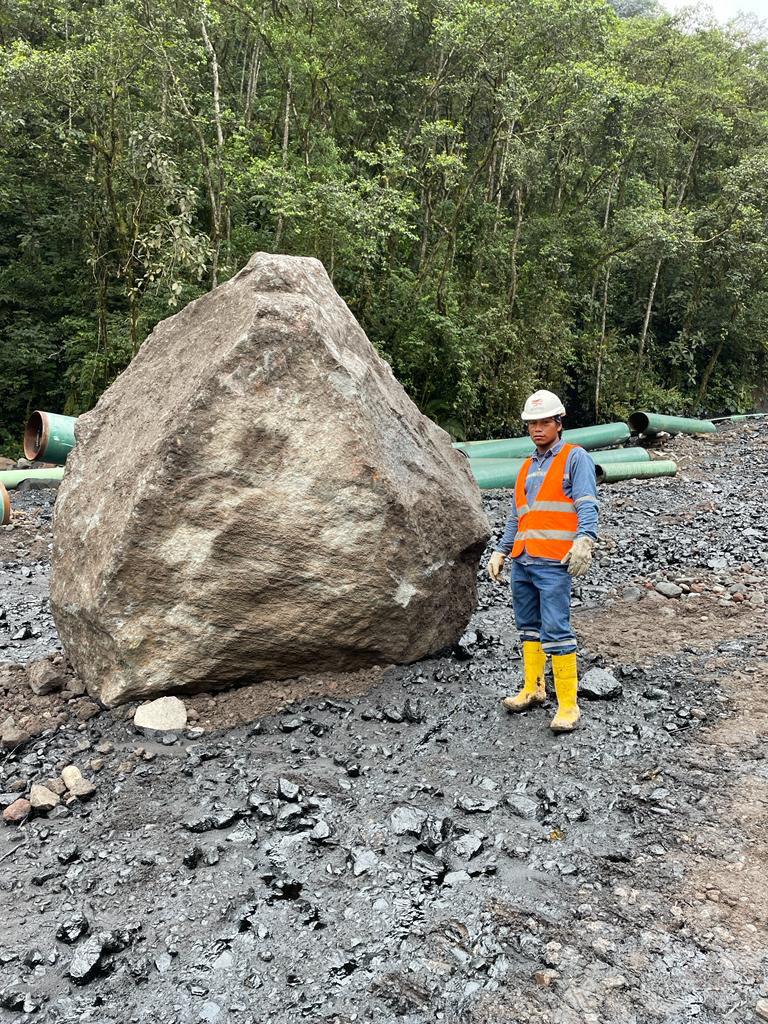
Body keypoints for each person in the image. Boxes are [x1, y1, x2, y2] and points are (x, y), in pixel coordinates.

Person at [487, 390, 598, 732]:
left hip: (553, 562)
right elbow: (516, 516)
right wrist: (502, 550)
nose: (537, 429)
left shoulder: (574, 458)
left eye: (543, 422)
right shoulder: (525, 468)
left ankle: (568, 705)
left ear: (559, 423)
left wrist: (585, 539)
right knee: (528, 628)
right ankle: (533, 688)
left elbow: (587, 502)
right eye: (532, 423)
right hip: (523, 560)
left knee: (557, 630)